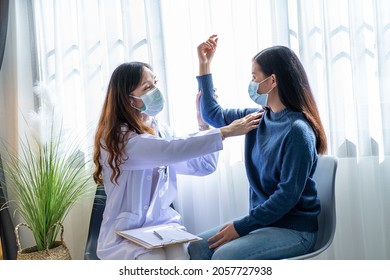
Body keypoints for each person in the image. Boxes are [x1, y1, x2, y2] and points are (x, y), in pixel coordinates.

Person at [92, 61, 262, 260]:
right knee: (152, 263)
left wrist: (203, 123)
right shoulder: (118, 138)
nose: (156, 91)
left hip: (163, 228)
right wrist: (226, 131)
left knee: (183, 260)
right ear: (128, 99)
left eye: (155, 83)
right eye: (147, 87)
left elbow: (204, 166)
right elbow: (169, 150)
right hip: (125, 233)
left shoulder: (161, 130)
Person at [188, 35, 328, 260]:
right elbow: (213, 115)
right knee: (196, 248)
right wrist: (205, 65)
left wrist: (241, 227)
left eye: (255, 77)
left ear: (272, 81)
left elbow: (287, 196)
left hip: (295, 231)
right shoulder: (257, 118)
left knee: (225, 257)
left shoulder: (297, 131)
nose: (252, 84)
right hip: (266, 223)